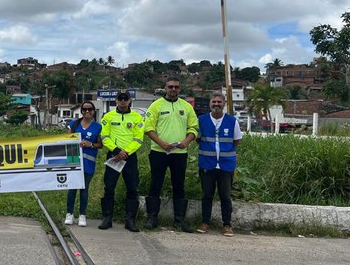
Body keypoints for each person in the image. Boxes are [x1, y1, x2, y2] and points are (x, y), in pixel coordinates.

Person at [143, 78, 199, 232]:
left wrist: (186, 142)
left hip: (180, 153)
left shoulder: (187, 107)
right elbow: (148, 128)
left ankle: (179, 220)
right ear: (165, 88)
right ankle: (152, 217)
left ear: (180, 89)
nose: (173, 89)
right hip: (159, 152)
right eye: (170, 87)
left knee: (179, 185)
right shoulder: (156, 105)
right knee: (155, 184)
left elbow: (193, 128)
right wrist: (162, 144)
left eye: (176, 87)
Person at [196, 93, 242, 237]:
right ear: (210, 104)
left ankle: (227, 225)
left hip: (225, 165)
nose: (216, 104)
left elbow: (236, 141)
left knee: (225, 196)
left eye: (219, 102)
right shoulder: (201, 120)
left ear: (224, 104)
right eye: (214, 102)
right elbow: (198, 139)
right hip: (207, 165)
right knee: (206, 195)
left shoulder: (232, 121)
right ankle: (205, 223)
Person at [98, 92, 145, 232]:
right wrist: (116, 151)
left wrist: (126, 152)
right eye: (120, 99)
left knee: (132, 188)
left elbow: (139, 138)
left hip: (129, 157)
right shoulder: (108, 116)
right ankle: (107, 218)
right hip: (114, 155)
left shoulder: (137, 117)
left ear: (130, 100)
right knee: (109, 187)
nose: (123, 101)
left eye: (125, 99)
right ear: (116, 100)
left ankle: (130, 220)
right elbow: (105, 136)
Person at [64, 101, 102, 227]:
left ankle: (82, 214)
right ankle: (69, 213)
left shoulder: (98, 127)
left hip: (88, 162)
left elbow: (100, 144)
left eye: (89, 109)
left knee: (84, 188)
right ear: (81, 111)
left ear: (93, 111)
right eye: (84, 109)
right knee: (72, 188)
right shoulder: (74, 124)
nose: (87, 111)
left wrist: (90, 144)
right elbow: (66, 140)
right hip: (74, 160)